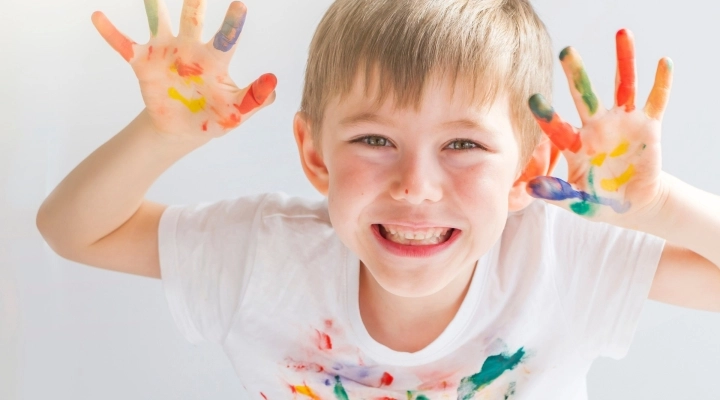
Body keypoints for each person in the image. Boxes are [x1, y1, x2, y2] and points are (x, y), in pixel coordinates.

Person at [36, 0, 720, 398]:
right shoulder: (264, 258)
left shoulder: (562, 259)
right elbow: (73, 231)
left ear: (529, 168)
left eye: (464, 146)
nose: (416, 186)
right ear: (314, 155)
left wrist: (656, 204)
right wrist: (161, 137)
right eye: (374, 139)